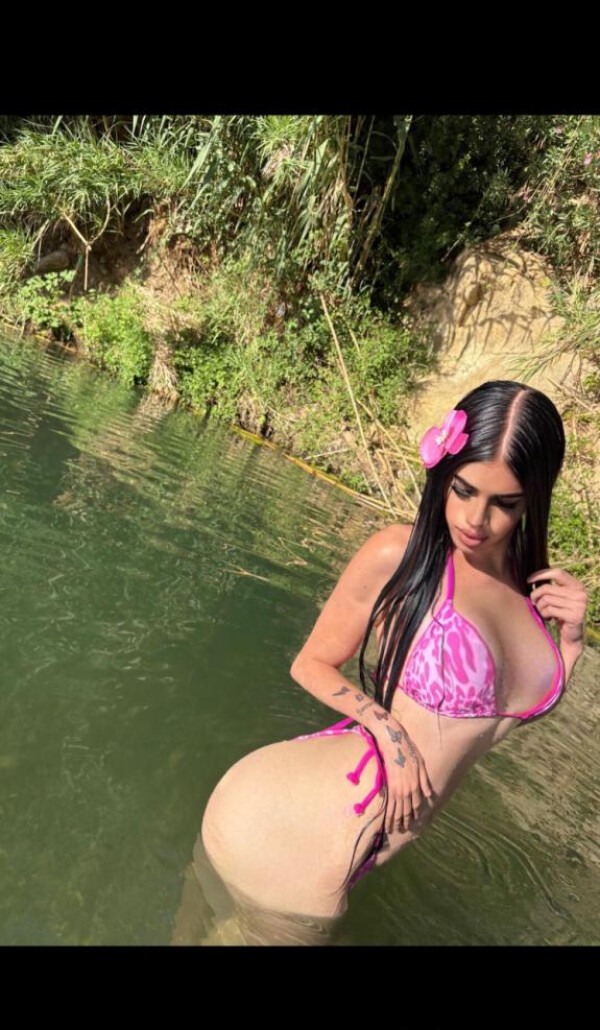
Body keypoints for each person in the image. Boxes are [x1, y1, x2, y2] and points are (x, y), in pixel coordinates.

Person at [196, 379, 588, 945]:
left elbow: (490, 727)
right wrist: (391, 734)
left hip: (333, 849)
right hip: (289, 834)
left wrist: (570, 645)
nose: (475, 519)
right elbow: (311, 663)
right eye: (463, 489)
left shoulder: (531, 601)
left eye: (504, 503)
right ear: (443, 474)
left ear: (534, 499)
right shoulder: (400, 557)